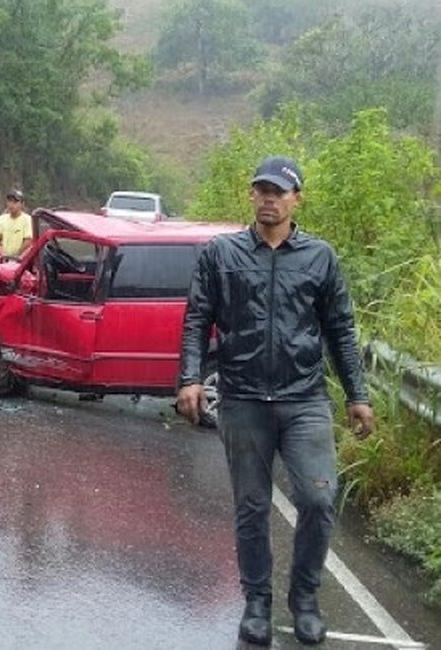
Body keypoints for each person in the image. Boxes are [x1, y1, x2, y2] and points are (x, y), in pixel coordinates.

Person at [176, 155, 375, 647]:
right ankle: (257, 602)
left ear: (296, 199)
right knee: (251, 505)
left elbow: (340, 330)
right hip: (243, 398)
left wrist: (358, 394)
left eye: (279, 191)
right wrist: (190, 378)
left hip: (304, 399)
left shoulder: (319, 257)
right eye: (261, 189)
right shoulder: (220, 254)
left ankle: (305, 598)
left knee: (318, 498)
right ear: (252, 196)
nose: (269, 198)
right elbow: (197, 318)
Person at [0, 190, 32, 258]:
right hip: (3, 258)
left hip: (20, 259)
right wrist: (1, 253)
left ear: (22, 204)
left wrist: (16, 256)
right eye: (9, 201)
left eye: (15, 202)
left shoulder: (27, 220)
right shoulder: (2, 219)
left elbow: (28, 241)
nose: (11, 204)